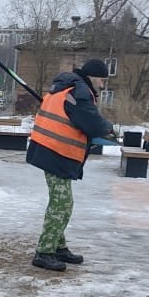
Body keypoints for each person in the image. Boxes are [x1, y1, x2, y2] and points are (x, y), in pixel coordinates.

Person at [25, 59, 116, 272]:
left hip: (51, 151)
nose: (102, 85)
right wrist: (109, 127)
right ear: (93, 77)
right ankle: (44, 252)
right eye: (102, 80)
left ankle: (58, 247)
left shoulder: (67, 87)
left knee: (63, 203)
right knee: (61, 204)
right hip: (55, 153)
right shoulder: (80, 92)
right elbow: (92, 123)